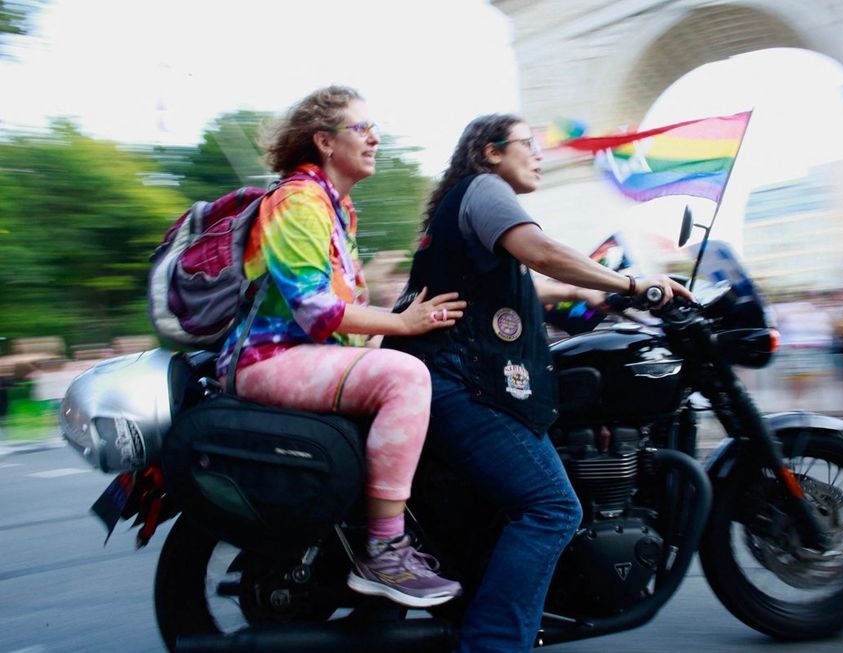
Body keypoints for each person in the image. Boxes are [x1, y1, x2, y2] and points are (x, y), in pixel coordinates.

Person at [383, 114, 693, 652]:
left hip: (443, 375)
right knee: (553, 507)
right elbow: (541, 252)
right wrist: (634, 284)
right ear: (491, 151)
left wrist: (596, 297)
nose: (539, 153)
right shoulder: (484, 189)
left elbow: (513, 283)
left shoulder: (465, 200)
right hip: (459, 381)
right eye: (528, 143)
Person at [216, 86, 465, 608]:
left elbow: (345, 318)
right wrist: (406, 323)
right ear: (326, 142)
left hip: (303, 356)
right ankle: (383, 550)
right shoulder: (299, 201)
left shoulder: (338, 208)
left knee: (413, 365)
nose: (375, 138)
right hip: (268, 361)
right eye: (361, 128)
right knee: (405, 376)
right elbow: (316, 311)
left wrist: (403, 326)